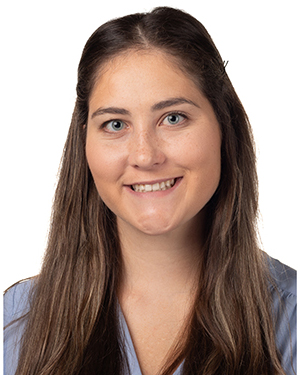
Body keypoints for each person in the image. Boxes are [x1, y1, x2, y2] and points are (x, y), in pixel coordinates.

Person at [3, 6, 296, 375]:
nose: (144, 155)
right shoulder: (15, 322)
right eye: (114, 124)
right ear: (84, 144)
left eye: (173, 118)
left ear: (224, 125)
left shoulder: (293, 319)